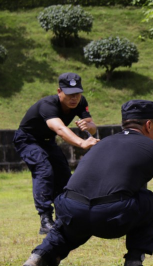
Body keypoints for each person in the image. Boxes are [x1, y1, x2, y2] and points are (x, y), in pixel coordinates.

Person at [23, 99, 153, 266]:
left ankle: (40, 256)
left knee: (73, 222)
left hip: (70, 209)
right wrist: (152, 211)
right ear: (149, 125)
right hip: (111, 217)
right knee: (148, 200)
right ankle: (134, 261)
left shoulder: (102, 143)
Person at [13, 72, 100, 235]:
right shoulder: (48, 104)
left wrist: (89, 127)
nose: (74, 98)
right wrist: (82, 142)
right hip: (28, 139)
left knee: (64, 174)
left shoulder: (81, 102)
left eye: (77, 94)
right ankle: (45, 220)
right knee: (43, 170)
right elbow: (60, 129)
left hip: (47, 141)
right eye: (69, 94)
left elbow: (92, 125)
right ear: (59, 91)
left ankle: (66, 215)